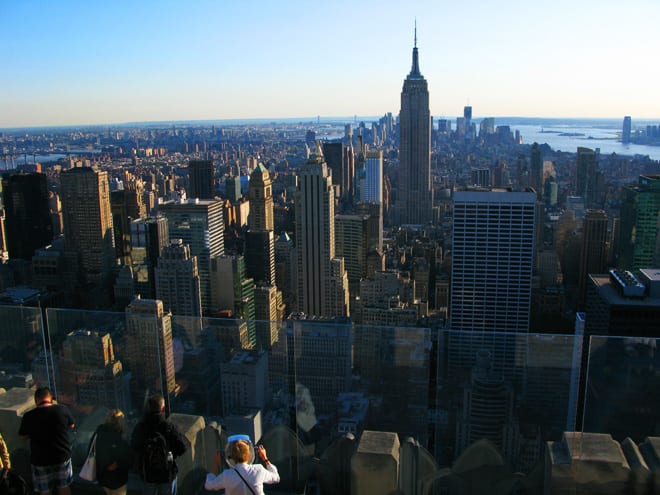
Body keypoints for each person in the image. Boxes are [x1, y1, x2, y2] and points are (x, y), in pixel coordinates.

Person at [18, 387, 75, 495]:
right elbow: (71, 425)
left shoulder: (29, 416)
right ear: (51, 399)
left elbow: (23, 437)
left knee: (45, 490)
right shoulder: (62, 410)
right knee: (64, 487)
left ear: (36, 401)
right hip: (61, 456)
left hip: (40, 459)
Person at [131, 394, 187, 495]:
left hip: (147, 473)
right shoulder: (168, 427)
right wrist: (170, 454)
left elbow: (134, 447)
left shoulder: (140, 428)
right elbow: (182, 448)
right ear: (163, 408)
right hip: (166, 473)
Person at [204, 438, 279, 495]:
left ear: (232, 457)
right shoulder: (259, 470)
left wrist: (216, 465)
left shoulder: (227, 475)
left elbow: (208, 485)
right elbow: (276, 478)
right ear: (249, 455)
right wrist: (265, 458)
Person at [93, 410, 133, 495]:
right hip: (117, 480)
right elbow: (126, 460)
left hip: (102, 477)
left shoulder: (99, 433)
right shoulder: (120, 440)